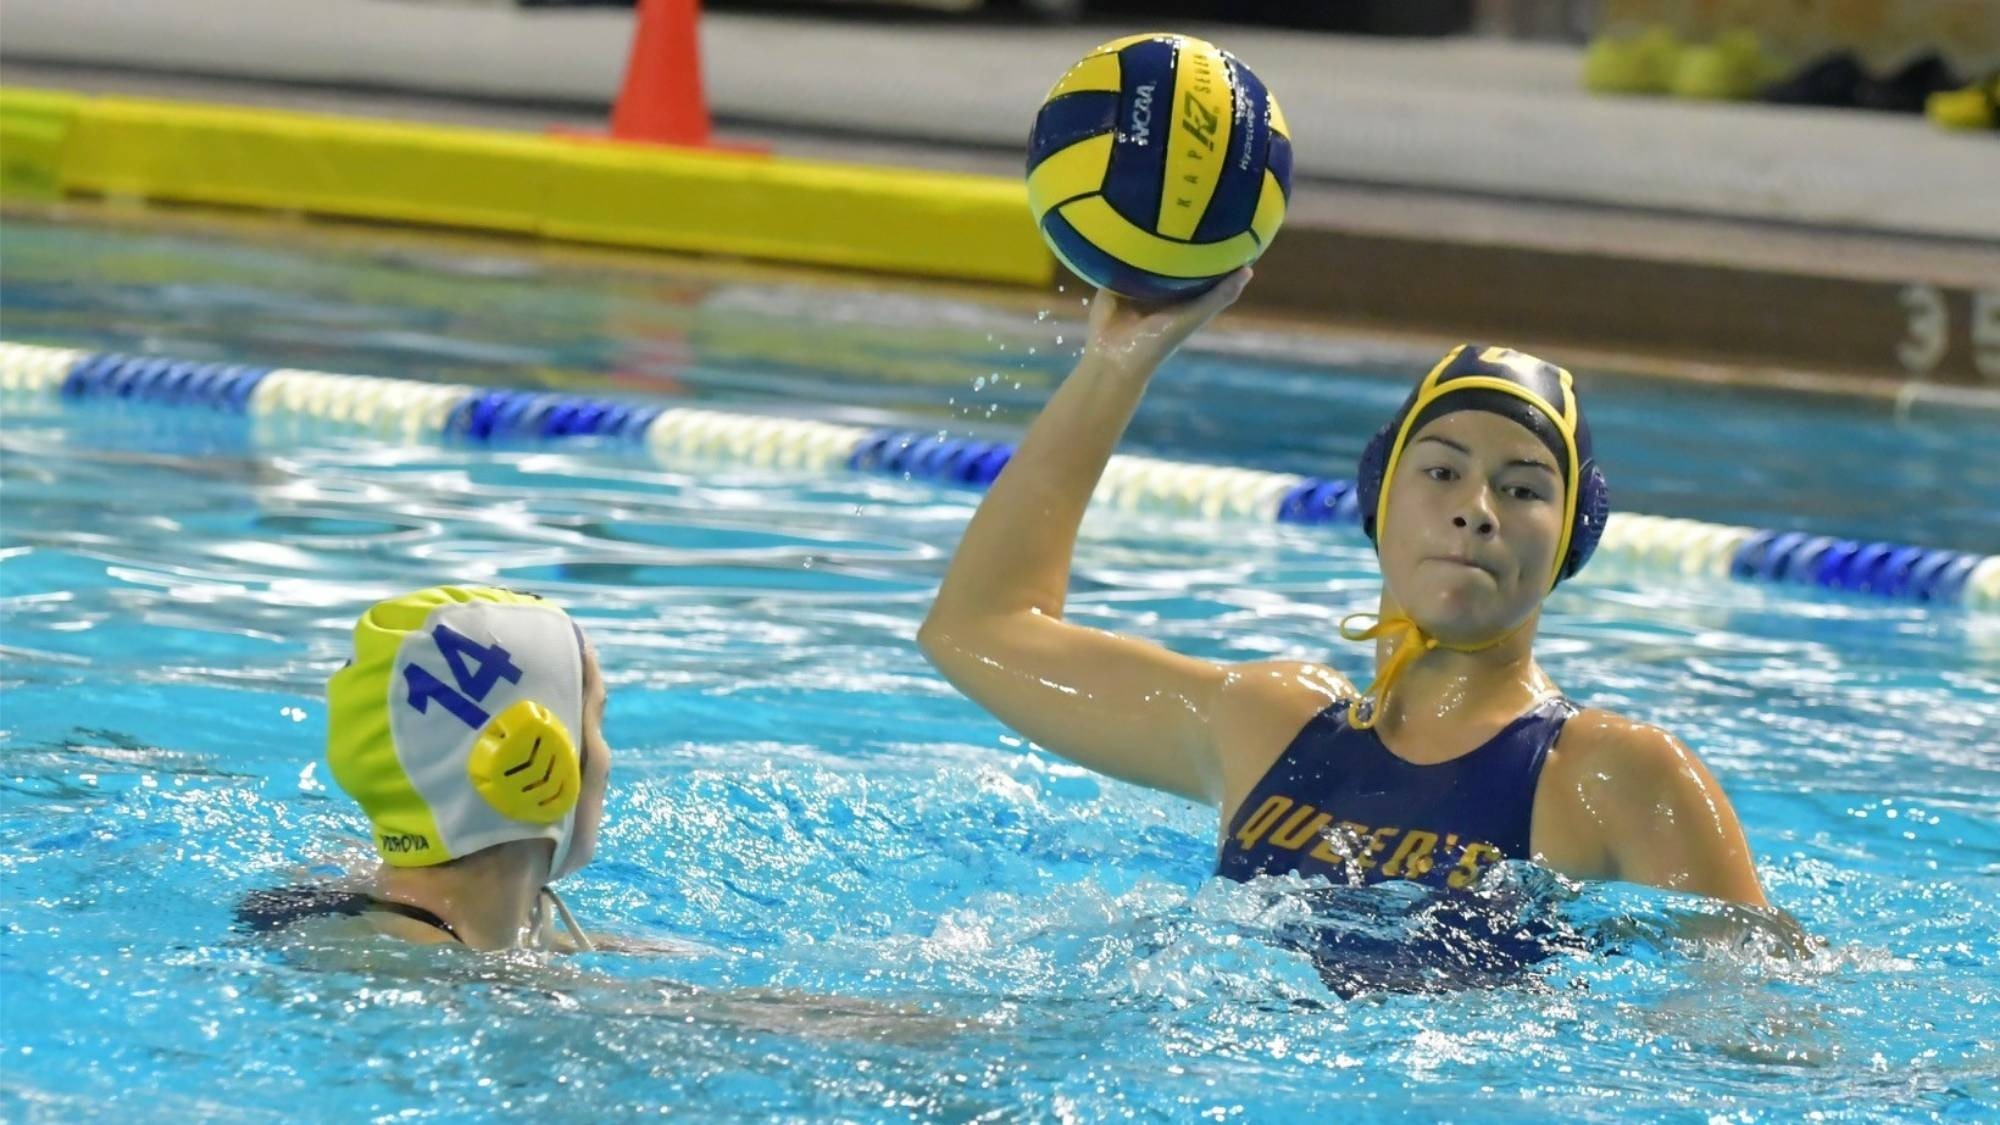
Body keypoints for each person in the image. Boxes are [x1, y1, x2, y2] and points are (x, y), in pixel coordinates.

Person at [918, 270, 1775, 918]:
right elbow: (980, 628)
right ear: (1380, 499)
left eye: (1521, 489)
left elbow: (1763, 1035)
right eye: (1441, 471)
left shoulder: (1612, 776)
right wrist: (1114, 367)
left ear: (1571, 540)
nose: (1475, 512)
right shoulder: (1268, 724)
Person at [237, 585, 611, 952]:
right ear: (537, 757)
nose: (606, 756)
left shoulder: (369, 919)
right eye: (596, 720)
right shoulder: (408, 976)